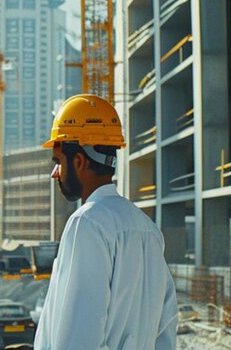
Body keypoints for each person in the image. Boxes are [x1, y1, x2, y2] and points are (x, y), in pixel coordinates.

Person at [34, 93, 177, 350]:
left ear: (78, 161)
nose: (55, 172)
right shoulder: (148, 230)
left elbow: (78, 338)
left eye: (58, 161)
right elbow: (165, 330)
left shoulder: (87, 223)